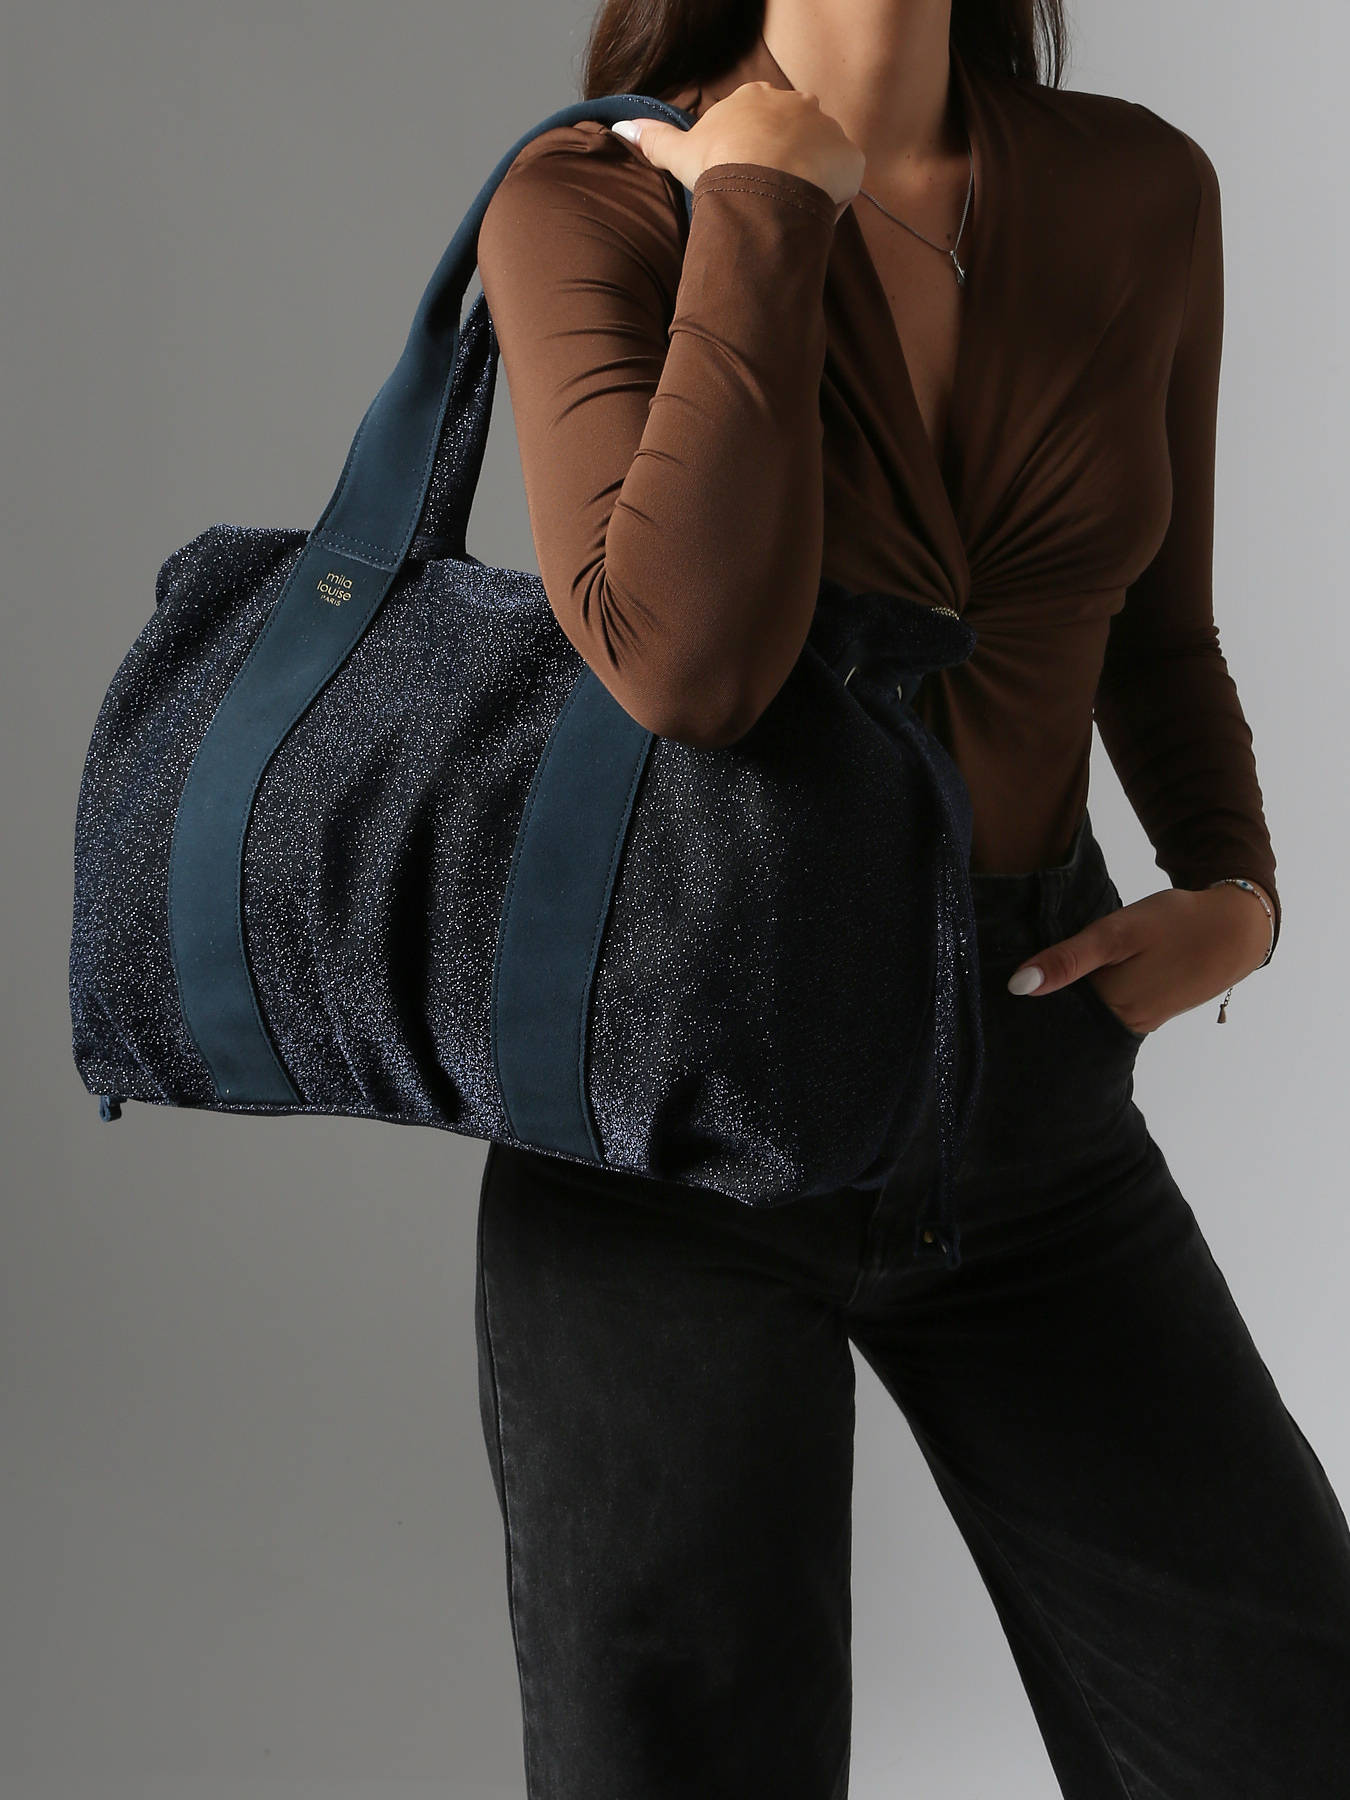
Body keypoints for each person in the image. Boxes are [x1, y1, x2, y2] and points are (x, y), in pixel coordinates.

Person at [470, 3, 1350, 1794]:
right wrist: (762, 209)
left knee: (1283, 1727)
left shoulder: (1137, 188)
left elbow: (1155, 627)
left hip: (1024, 1097)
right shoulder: (595, 194)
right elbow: (680, 667)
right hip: (674, 1106)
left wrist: (1234, 889)